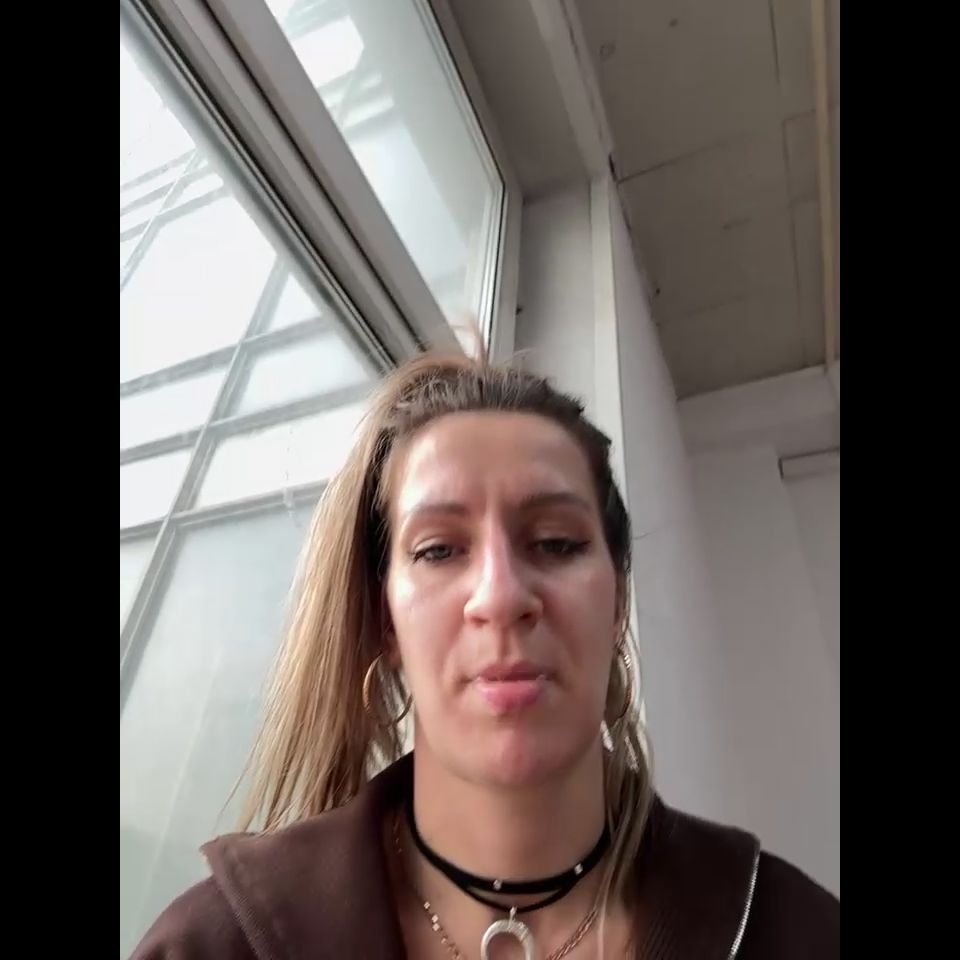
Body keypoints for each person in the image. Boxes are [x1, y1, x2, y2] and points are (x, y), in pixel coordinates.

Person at [131, 352, 839, 959]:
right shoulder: (212, 946)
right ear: (385, 620)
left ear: (617, 598)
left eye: (556, 543)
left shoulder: (798, 933)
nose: (500, 596)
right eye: (439, 550)